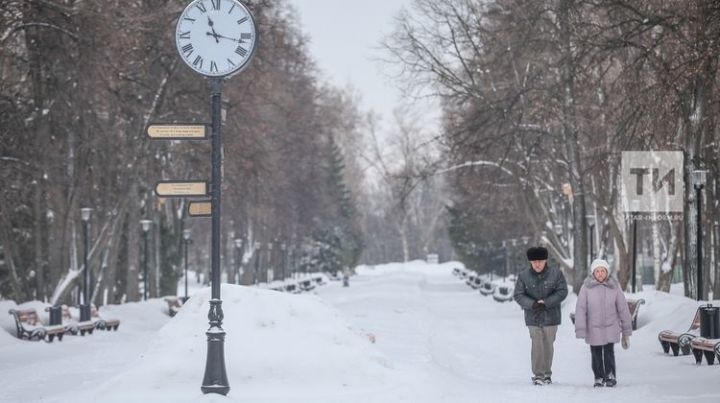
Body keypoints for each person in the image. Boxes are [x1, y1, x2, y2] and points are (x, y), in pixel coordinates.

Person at [513, 246, 569, 385]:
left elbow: (562, 291)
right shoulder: (523, 276)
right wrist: (532, 304)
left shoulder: (556, 274)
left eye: (540, 261)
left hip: (551, 316)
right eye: (534, 262)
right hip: (533, 316)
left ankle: (547, 373)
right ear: (530, 262)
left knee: (548, 344)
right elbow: (518, 294)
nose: (537, 264)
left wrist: (547, 302)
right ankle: (538, 374)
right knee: (537, 343)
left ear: (545, 261)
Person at [574, 259, 632, 388]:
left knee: (608, 352)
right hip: (593, 327)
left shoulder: (614, 286)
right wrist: (580, 329)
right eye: (597, 271)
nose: (600, 274)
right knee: (596, 353)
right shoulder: (586, 288)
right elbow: (581, 308)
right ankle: (599, 377)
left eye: (603, 271)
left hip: (611, 326)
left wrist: (626, 331)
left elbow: (623, 308)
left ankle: (610, 375)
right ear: (593, 273)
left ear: (607, 272)